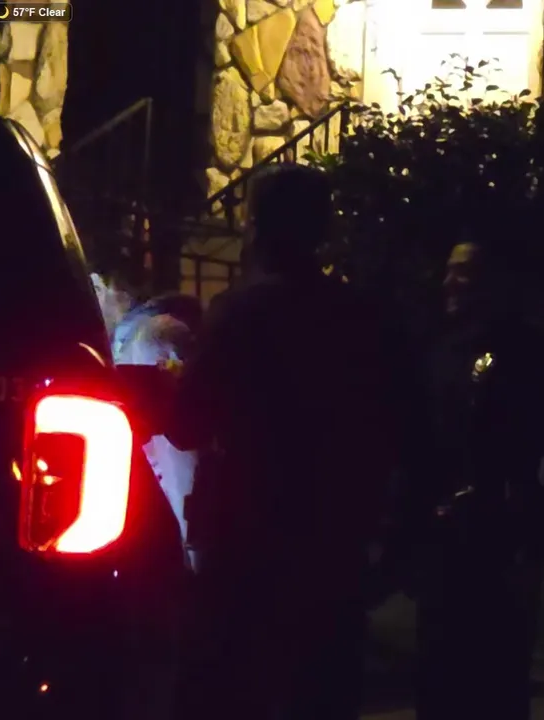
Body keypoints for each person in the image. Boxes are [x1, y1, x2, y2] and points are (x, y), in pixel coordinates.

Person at [167, 164, 395, 719]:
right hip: (333, 544)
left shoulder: (240, 314)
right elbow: (400, 427)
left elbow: (186, 421)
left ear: (258, 229)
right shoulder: (362, 318)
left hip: (248, 545)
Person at [404, 238, 544, 720]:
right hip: (443, 541)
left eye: (463, 272)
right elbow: (421, 443)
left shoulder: (532, 355)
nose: (449, 283)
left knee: (497, 679)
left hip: (500, 540)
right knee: (439, 677)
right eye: (449, 270)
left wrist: (535, 538)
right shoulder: (439, 351)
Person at [90, 271, 202, 568]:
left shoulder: (153, 335)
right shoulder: (139, 337)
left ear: (117, 291)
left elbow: (177, 454)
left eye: (96, 290)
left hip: (181, 510)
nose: (93, 303)